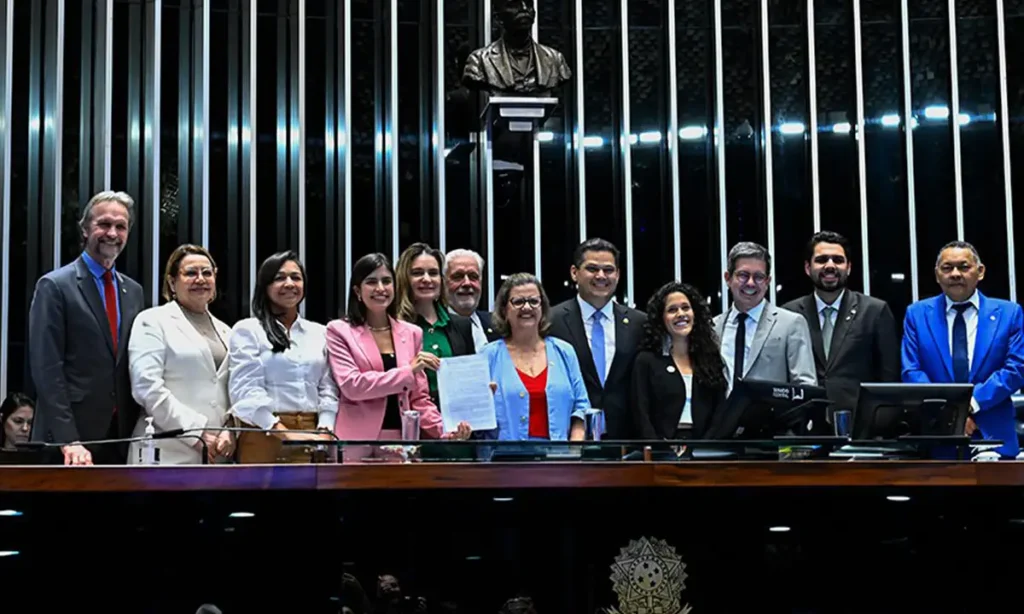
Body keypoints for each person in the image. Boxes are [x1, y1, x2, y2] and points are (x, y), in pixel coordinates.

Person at [28, 190, 145, 465]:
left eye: (121, 226)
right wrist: (68, 439)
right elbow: (47, 369)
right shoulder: (55, 286)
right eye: (103, 224)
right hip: (68, 441)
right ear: (84, 229)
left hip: (120, 436)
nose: (112, 233)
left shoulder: (134, 292)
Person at [326, 253, 470, 450]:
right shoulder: (339, 330)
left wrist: (446, 430)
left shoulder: (411, 333)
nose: (380, 288)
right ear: (357, 291)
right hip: (356, 441)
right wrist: (407, 373)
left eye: (386, 281)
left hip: (402, 441)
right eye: (371, 282)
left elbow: (418, 398)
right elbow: (353, 386)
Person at [902, 241, 1024, 458]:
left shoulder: (1009, 313)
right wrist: (949, 412)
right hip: (937, 437)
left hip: (994, 435)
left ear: (980, 272)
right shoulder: (917, 314)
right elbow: (911, 371)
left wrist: (972, 404)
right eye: (947, 268)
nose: (955, 274)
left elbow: (1016, 368)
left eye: (964, 267)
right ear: (937, 275)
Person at [127, 244, 235, 464]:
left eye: (207, 273)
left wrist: (230, 429)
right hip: (165, 451)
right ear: (172, 282)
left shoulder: (228, 331)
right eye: (190, 273)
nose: (200, 279)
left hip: (217, 455)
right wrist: (196, 432)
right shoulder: (152, 321)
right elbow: (146, 387)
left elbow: (236, 390)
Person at [228, 250, 339, 463]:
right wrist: (282, 431)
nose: (289, 284)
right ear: (265, 286)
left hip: (313, 434)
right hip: (263, 433)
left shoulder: (320, 332)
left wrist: (325, 428)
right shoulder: (248, 329)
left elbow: (328, 386)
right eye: (280, 278)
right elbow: (244, 391)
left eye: (296, 277)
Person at [781, 231, 900, 413]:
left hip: (860, 425)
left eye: (838, 260)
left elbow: (889, 378)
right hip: (804, 423)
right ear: (807, 268)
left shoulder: (875, 311)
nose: (830, 266)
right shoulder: (789, 313)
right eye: (821, 260)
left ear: (849, 267)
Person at [547, 238, 646, 439]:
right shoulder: (550, 321)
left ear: (618, 275)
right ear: (574, 273)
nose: (601, 276)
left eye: (608, 270)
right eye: (592, 269)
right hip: (569, 438)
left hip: (627, 441)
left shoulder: (640, 323)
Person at [482, 273, 588, 441]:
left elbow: (581, 408)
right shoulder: (487, 356)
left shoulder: (565, 351)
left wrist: (573, 448)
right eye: (518, 302)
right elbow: (476, 415)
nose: (527, 307)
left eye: (533, 301)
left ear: (542, 308)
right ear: (504, 310)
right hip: (502, 461)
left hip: (559, 460)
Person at [714, 241, 817, 391]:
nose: (750, 283)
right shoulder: (713, 327)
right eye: (743, 275)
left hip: (773, 414)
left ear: (767, 282)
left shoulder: (791, 324)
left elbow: (805, 387)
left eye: (758, 277)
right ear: (728, 278)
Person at [632, 282, 727, 440]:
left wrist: (706, 447)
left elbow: (719, 410)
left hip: (704, 451)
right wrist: (657, 450)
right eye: (672, 310)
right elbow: (640, 412)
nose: (681, 314)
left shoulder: (710, 358)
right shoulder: (646, 360)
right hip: (660, 452)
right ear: (661, 318)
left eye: (685, 308)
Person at [395, 243, 476, 405]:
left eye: (433, 273)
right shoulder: (393, 326)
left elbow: (467, 380)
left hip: (453, 422)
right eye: (417, 273)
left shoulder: (462, 325)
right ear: (404, 278)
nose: (427, 279)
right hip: (407, 419)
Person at [445, 248, 501, 351]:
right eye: (458, 276)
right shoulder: (434, 327)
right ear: (443, 282)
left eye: (473, 276)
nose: (467, 283)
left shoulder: (497, 324)